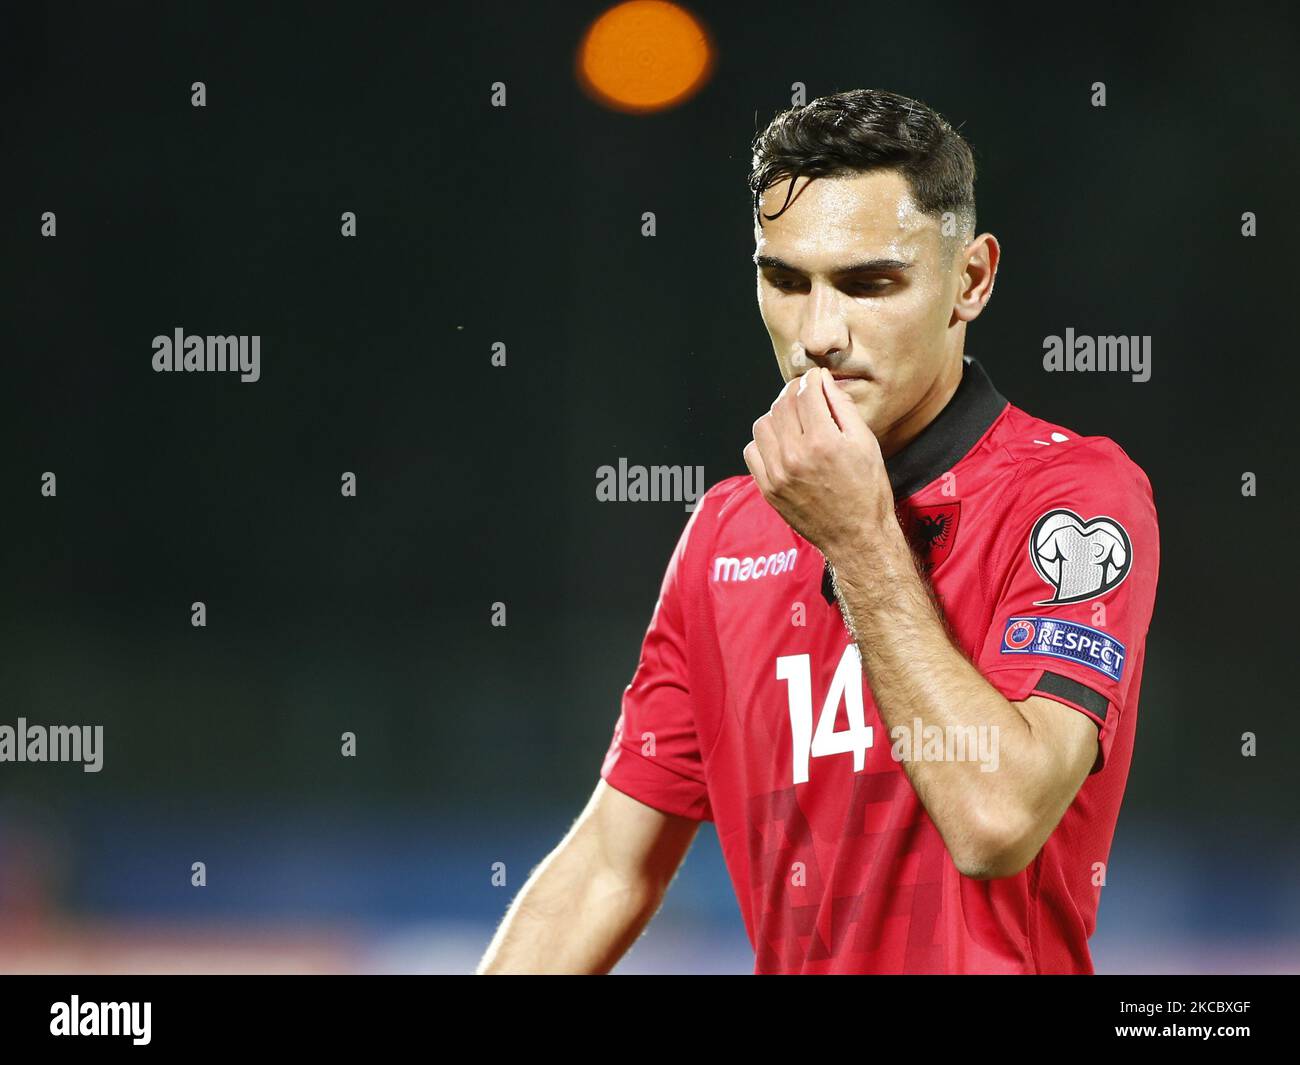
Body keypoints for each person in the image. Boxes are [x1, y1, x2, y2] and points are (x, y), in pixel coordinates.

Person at [478, 87, 1160, 975]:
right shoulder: (725, 532)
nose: (819, 334)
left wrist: (861, 538)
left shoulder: (1072, 498)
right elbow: (609, 865)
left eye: (870, 283)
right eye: (785, 280)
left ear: (972, 279)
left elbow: (997, 821)